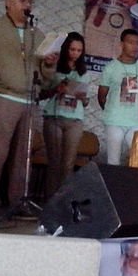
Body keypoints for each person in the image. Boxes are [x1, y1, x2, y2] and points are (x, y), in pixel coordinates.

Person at [0, 0, 56, 220]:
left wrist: (49, 64)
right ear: (7, 2)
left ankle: (19, 203)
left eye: (30, 1)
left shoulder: (37, 34)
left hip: (28, 100)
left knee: (22, 157)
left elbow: (46, 75)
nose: (27, 4)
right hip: (1, 96)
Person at [40, 32, 90, 198]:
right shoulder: (55, 68)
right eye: (72, 49)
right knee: (54, 162)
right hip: (54, 116)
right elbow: (42, 93)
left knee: (68, 164)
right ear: (65, 49)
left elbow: (86, 101)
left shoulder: (83, 72)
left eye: (79, 50)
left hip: (75, 119)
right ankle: (50, 199)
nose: (75, 53)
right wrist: (57, 89)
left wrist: (83, 98)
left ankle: (62, 200)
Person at [97, 29, 138, 165]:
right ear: (121, 44)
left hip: (134, 122)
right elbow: (102, 95)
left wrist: (133, 110)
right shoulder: (111, 67)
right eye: (130, 42)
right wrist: (112, 111)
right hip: (114, 121)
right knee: (113, 160)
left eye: (137, 43)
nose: (134, 46)